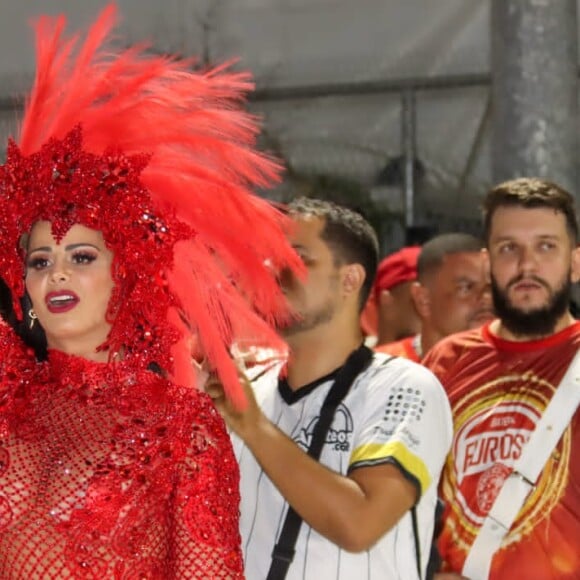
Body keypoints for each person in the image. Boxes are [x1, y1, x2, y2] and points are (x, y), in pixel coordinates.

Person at [0, 6, 300, 578]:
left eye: (81, 256)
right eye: (40, 260)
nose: (55, 274)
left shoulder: (181, 427)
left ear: (127, 273)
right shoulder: (7, 398)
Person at [207, 197, 453, 579]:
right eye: (269, 258)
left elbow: (360, 525)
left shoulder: (405, 386)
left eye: (297, 258)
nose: (273, 271)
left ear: (350, 280)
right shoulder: (245, 392)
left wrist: (254, 427)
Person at [423, 177, 580, 579]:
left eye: (546, 246)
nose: (527, 266)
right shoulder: (447, 360)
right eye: (509, 248)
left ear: (575, 263)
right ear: (487, 263)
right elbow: (409, 495)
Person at [377, 233, 494, 361]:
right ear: (423, 300)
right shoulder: (379, 371)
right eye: (466, 288)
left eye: (492, 288)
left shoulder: (512, 368)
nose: (487, 298)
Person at [366, 245, 422, 346]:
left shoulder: (445, 358)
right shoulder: (345, 358)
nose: (427, 307)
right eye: (418, 298)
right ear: (387, 301)